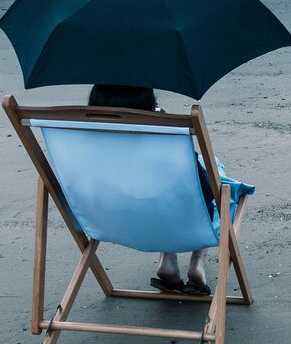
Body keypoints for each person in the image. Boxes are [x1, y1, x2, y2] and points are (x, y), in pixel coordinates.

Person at [88, 84, 253, 295]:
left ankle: (168, 259)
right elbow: (203, 190)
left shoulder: (83, 139)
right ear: (149, 103)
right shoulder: (166, 132)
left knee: (158, 190)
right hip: (175, 215)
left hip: (112, 218)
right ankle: (197, 263)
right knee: (212, 177)